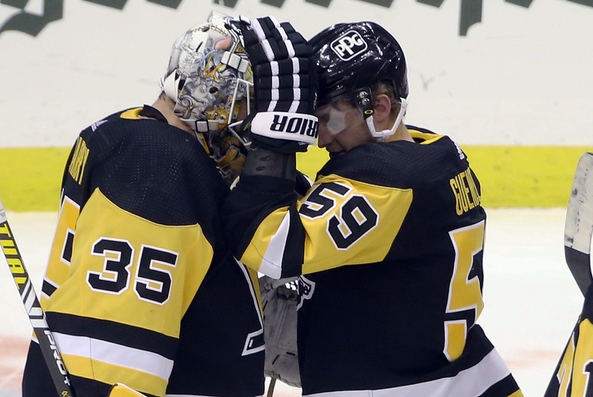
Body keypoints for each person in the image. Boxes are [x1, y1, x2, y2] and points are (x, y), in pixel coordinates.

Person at [223, 21, 525, 396]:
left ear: (379, 108)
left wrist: (274, 137)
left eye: (328, 118)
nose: (320, 137)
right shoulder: (437, 152)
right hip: (467, 379)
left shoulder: (385, 180)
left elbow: (270, 245)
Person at [20, 11, 302, 397]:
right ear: (218, 101)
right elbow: (112, 355)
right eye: (254, 112)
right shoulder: (159, 162)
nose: (258, 132)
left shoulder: (132, 133)